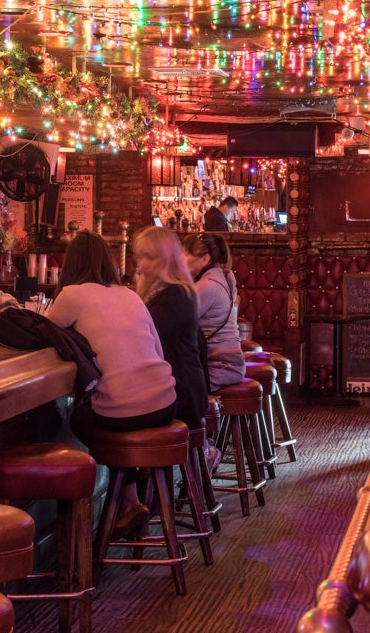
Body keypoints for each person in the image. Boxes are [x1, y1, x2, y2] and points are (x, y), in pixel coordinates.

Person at [46, 230, 177, 537]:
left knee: (82, 417)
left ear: (71, 264)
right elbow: (158, 349)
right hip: (166, 403)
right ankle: (128, 501)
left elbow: (45, 332)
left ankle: (127, 498)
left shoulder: (72, 295)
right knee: (117, 420)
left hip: (126, 412)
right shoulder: (130, 295)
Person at [132, 226, 208, 428]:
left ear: (168, 259)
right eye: (140, 257)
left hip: (181, 393)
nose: (142, 264)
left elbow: (145, 337)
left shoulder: (177, 294)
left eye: (150, 257)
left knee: (96, 415)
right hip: (168, 386)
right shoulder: (157, 292)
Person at [183, 232, 246, 391]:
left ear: (205, 259)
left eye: (186, 253)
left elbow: (178, 322)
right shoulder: (225, 277)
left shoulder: (207, 286)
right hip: (231, 364)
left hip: (217, 368)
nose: (180, 258)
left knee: (167, 389)